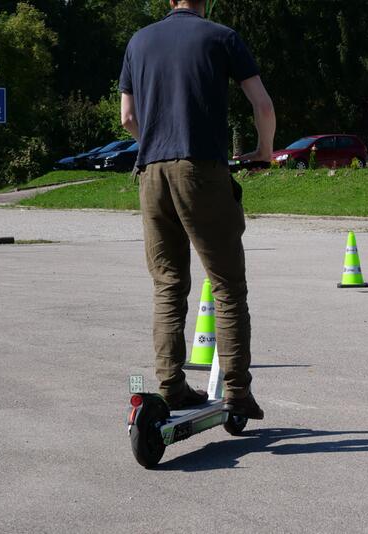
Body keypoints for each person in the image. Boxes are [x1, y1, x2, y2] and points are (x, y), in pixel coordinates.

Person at [119, 0, 275, 418]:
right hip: (202, 169)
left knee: (168, 284)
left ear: (168, 1)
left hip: (150, 172)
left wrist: (152, 144)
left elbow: (128, 117)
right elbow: (262, 105)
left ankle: (170, 385)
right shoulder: (221, 36)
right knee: (226, 286)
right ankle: (237, 391)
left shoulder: (138, 41)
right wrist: (264, 149)